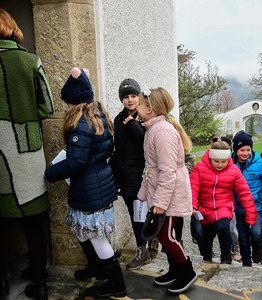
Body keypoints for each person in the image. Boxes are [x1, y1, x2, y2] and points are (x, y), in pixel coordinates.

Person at [44, 67, 126, 298]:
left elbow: (76, 162)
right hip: (95, 182)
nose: (66, 107)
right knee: (81, 229)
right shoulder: (98, 114)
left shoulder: (80, 123)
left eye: (67, 103)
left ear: (74, 102)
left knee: (97, 237)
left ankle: (116, 283)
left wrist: (51, 173)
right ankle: (97, 268)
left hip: (90, 186)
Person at [0, 9, 54, 300]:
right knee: (33, 222)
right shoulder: (30, 61)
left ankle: (2, 283)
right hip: (25, 155)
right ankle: (41, 283)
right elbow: (47, 108)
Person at [136, 87, 197, 294]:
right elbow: (151, 168)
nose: (137, 106)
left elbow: (168, 171)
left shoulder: (162, 131)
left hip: (169, 195)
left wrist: (160, 203)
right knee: (164, 236)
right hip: (162, 194)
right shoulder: (153, 128)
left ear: (149, 108)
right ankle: (175, 270)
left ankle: (187, 272)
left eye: (140, 104)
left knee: (166, 238)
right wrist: (145, 195)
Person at [109, 78, 156, 270]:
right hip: (127, 176)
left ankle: (147, 247)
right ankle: (144, 248)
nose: (130, 100)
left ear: (140, 97)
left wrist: (133, 125)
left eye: (133, 96)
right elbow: (118, 149)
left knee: (147, 213)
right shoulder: (119, 120)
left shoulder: (146, 117)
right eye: (126, 97)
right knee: (136, 214)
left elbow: (148, 145)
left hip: (144, 175)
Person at [190, 139, 257, 265]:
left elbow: (245, 193)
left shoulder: (234, 170)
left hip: (224, 206)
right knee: (207, 235)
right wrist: (193, 205)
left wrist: (251, 216)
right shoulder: (199, 167)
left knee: (223, 227)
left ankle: (226, 256)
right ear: (210, 158)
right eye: (216, 161)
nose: (220, 165)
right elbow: (193, 188)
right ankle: (207, 256)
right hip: (205, 208)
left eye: (223, 161)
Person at [232, 130, 262, 266]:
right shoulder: (230, 163)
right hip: (239, 206)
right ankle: (246, 261)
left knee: (256, 233)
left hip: (256, 205)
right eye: (242, 150)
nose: (245, 153)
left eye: (248, 149)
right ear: (236, 150)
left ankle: (257, 249)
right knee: (242, 235)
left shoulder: (260, 163)